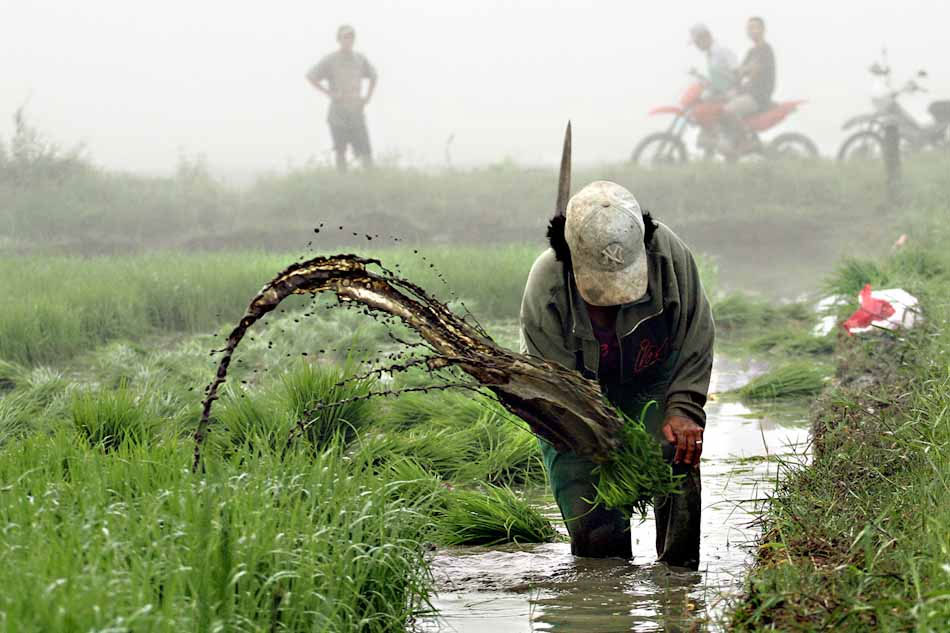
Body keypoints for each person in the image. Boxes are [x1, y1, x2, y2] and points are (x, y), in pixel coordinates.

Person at [520, 180, 714, 569]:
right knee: (592, 521)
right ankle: (602, 600)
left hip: (653, 381)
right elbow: (553, 389)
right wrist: (594, 432)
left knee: (679, 452)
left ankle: (679, 584)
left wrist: (684, 407)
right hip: (573, 401)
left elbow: (695, 331)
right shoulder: (547, 287)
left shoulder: (669, 258)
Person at [306, 25, 378, 172]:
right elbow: (311, 76)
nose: (348, 40)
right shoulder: (331, 60)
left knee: (366, 152)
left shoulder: (360, 59)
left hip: (356, 111)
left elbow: (374, 75)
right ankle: (342, 185)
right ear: (338, 39)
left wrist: (367, 97)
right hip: (338, 113)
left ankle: (371, 183)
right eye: (345, 37)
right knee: (340, 151)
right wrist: (329, 93)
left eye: (351, 37)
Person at [720, 16, 777, 153]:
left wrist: (745, 70)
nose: (751, 31)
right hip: (749, 93)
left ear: (763, 30)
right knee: (719, 102)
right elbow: (740, 72)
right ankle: (731, 143)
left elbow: (754, 69)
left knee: (727, 110)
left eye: (755, 27)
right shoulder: (751, 52)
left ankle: (745, 141)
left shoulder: (765, 49)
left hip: (758, 95)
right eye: (749, 28)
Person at [689, 23, 737, 98]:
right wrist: (697, 75)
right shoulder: (709, 56)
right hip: (721, 94)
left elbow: (736, 72)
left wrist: (732, 91)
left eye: (697, 42)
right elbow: (716, 81)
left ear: (707, 36)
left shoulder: (722, 51)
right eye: (696, 43)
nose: (697, 46)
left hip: (731, 93)